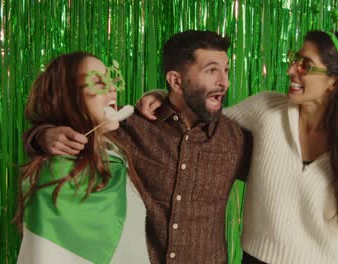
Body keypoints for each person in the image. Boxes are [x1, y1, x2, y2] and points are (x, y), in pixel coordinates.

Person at [23, 31, 253, 263]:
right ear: (175, 81)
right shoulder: (129, 124)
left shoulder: (234, 140)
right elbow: (74, 115)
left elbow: (280, 168)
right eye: (212, 70)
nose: (225, 82)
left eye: (226, 70)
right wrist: (42, 135)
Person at [224, 31, 338, 263]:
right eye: (296, 59)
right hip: (256, 258)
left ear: (333, 82)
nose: (291, 70)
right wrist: (164, 98)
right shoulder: (266, 109)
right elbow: (206, 118)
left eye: (305, 66)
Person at [14, 51, 149, 264]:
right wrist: (42, 134)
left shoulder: (116, 156)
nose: (112, 88)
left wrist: (159, 94)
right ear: (68, 97)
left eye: (110, 79)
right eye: (97, 82)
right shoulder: (54, 175)